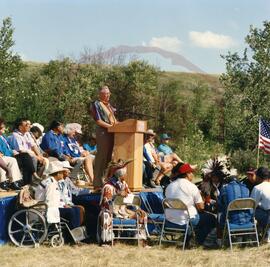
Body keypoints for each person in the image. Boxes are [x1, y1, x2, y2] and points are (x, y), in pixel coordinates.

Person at [99, 159, 149, 245]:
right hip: (110, 211)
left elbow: (131, 197)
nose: (126, 174)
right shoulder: (108, 186)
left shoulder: (124, 184)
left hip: (123, 211)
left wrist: (137, 208)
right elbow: (106, 202)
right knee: (106, 215)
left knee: (142, 214)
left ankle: (141, 239)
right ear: (120, 175)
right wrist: (117, 195)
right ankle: (107, 241)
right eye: (125, 173)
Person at [165, 163, 216, 245]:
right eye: (191, 173)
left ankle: (188, 238)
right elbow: (201, 208)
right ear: (187, 174)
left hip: (170, 219)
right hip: (186, 220)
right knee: (211, 218)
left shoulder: (169, 186)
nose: (192, 175)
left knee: (201, 218)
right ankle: (197, 241)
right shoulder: (191, 186)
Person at [35, 161, 81, 229]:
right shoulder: (50, 183)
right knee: (71, 211)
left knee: (77, 209)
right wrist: (63, 206)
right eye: (62, 172)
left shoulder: (53, 181)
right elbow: (50, 201)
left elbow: (56, 198)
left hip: (52, 205)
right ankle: (70, 231)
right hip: (46, 208)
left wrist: (64, 205)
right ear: (58, 173)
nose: (63, 175)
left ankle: (75, 231)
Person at [91, 85, 117, 189]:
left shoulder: (109, 106)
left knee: (109, 158)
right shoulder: (96, 104)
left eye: (108, 94)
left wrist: (119, 126)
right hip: (103, 132)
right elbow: (98, 120)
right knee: (101, 157)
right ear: (100, 95)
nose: (107, 96)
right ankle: (97, 183)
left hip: (112, 132)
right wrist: (111, 127)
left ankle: (105, 181)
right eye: (105, 94)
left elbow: (114, 120)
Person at [218, 176, 251, 242]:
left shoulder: (224, 189)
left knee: (219, 214)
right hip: (247, 221)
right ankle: (241, 238)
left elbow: (220, 205)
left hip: (232, 220)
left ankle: (220, 239)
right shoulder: (246, 189)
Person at [58, 161, 90, 225]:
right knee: (79, 209)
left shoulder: (67, 180)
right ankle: (73, 229)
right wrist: (64, 204)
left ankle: (77, 229)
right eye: (68, 169)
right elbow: (60, 196)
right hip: (62, 204)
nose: (70, 171)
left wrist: (89, 191)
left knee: (81, 209)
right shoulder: (58, 182)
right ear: (63, 171)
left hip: (68, 203)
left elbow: (75, 190)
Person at [251, 167, 270, 236]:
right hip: (267, 215)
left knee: (251, 212)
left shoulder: (257, 188)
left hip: (267, 217)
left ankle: (253, 235)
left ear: (258, 176)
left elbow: (252, 205)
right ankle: (265, 235)